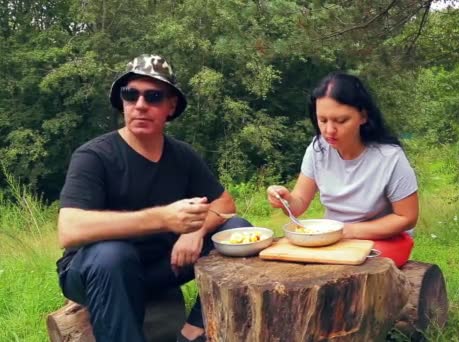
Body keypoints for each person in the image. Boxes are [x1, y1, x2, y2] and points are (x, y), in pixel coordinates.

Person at [55, 54, 250, 342]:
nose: (140, 105)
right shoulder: (94, 155)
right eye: (130, 95)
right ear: (121, 101)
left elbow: (225, 205)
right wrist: (163, 218)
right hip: (95, 270)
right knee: (113, 254)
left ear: (170, 106)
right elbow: (70, 230)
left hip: (161, 266)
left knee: (238, 230)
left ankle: (194, 331)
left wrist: (196, 229)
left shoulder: (182, 155)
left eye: (154, 96)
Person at [267, 72, 418, 267]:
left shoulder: (390, 158)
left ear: (363, 116)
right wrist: (284, 199)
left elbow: (407, 217)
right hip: (332, 240)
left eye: (341, 121)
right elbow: (299, 203)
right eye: (322, 120)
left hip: (380, 241)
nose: (329, 130)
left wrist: (348, 231)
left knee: (347, 268)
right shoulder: (317, 149)